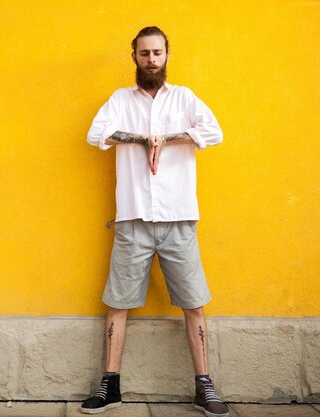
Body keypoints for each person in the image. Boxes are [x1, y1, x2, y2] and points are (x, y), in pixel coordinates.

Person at [82, 26, 228, 417]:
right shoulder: (119, 99)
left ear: (167, 55)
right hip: (133, 219)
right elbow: (96, 134)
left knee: (194, 302)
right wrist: (144, 139)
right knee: (117, 303)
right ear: (134, 56)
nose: (151, 60)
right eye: (144, 53)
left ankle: (205, 387)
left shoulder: (183, 97)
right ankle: (109, 385)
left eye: (157, 53)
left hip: (179, 217)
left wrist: (169, 136)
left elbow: (213, 132)